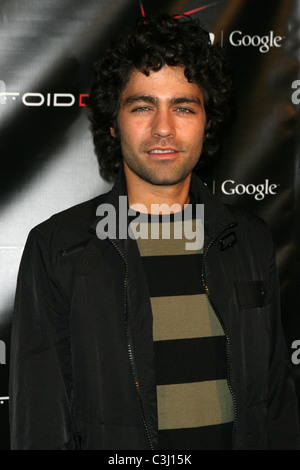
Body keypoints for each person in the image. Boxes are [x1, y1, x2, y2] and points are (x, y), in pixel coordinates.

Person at [9, 14, 300, 450]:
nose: (163, 127)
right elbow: (41, 425)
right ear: (113, 122)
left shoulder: (249, 240)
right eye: (143, 106)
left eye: (183, 107)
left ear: (208, 121)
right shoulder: (59, 249)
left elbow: (276, 404)